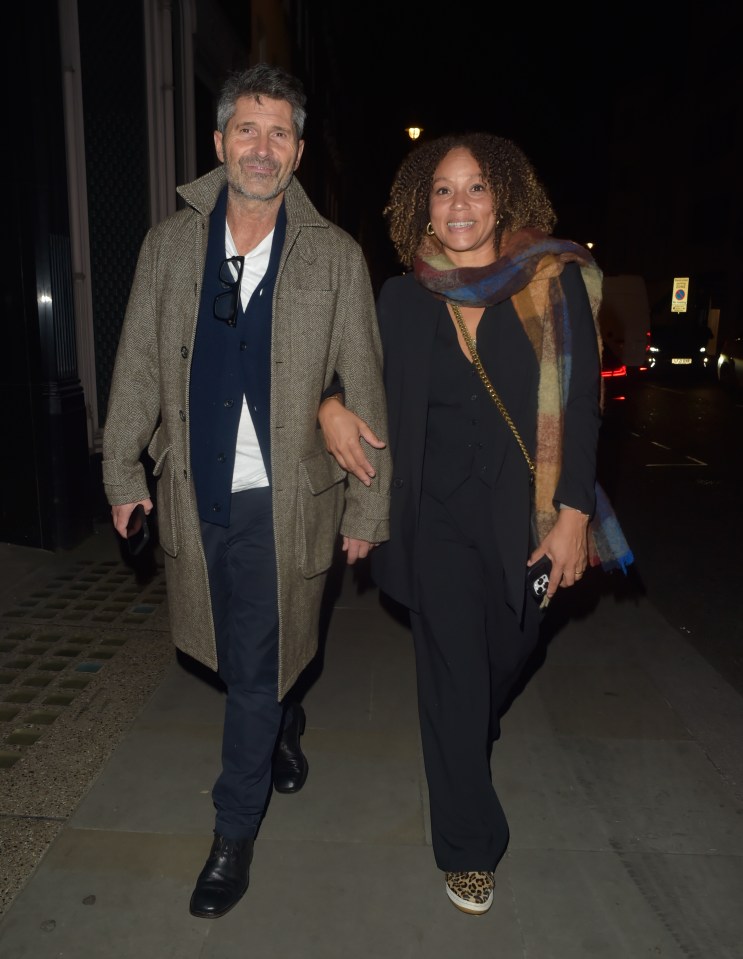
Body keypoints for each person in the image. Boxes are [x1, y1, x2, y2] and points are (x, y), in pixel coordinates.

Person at [102, 63, 391, 919]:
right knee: (233, 652)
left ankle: (233, 830)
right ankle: (283, 723)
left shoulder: (335, 255)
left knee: (257, 662)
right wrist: (123, 471)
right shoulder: (167, 246)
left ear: (297, 153)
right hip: (194, 492)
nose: (261, 148)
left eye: (279, 134)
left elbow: (361, 381)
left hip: (288, 499)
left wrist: (369, 506)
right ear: (220, 141)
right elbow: (140, 368)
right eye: (246, 129)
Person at [318, 132, 633, 915]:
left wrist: (570, 517)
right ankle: (467, 845)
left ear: (504, 200)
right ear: (421, 204)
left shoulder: (550, 285)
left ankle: (466, 726)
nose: (459, 205)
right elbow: (342, 368)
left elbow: (583, 407)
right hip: (431, 518)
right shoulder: (398, 297)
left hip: (519, 513)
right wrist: (327, 403)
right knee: (454, 673)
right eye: (443, 191)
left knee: (512, 646)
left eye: (476, 189)